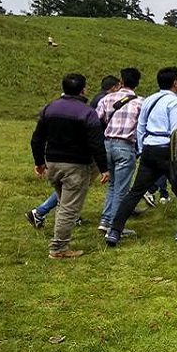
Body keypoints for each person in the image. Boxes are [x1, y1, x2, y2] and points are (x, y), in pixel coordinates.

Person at [106, 67, 177, 246]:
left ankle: (115, 229)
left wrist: (143, 148)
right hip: (167, 148)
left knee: (136, 191)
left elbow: (141, 126)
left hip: (149, 148)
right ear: (175, 82)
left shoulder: (149, 99)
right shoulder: (175, 102)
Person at [30, 73, 109, 258]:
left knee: (62, 202)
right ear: (83, 89)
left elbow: (37, 138)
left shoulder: (49, 108)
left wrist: (39, 161)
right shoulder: (87, 112)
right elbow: (96, 143)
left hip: (52, 164)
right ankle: (58, 248)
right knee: (69, 208)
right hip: (75, 166)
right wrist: (104, 167)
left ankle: (60, 242)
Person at [95, 68, 142, 232]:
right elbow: (141, 127)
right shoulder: (140, 102)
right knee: (122, 189)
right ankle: (114, 226)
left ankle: (105, 219)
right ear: (137, 83)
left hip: (107, 144)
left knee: (113, 185)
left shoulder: (107, 99)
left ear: (121, 82)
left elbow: (96, 120)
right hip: (125, 145)